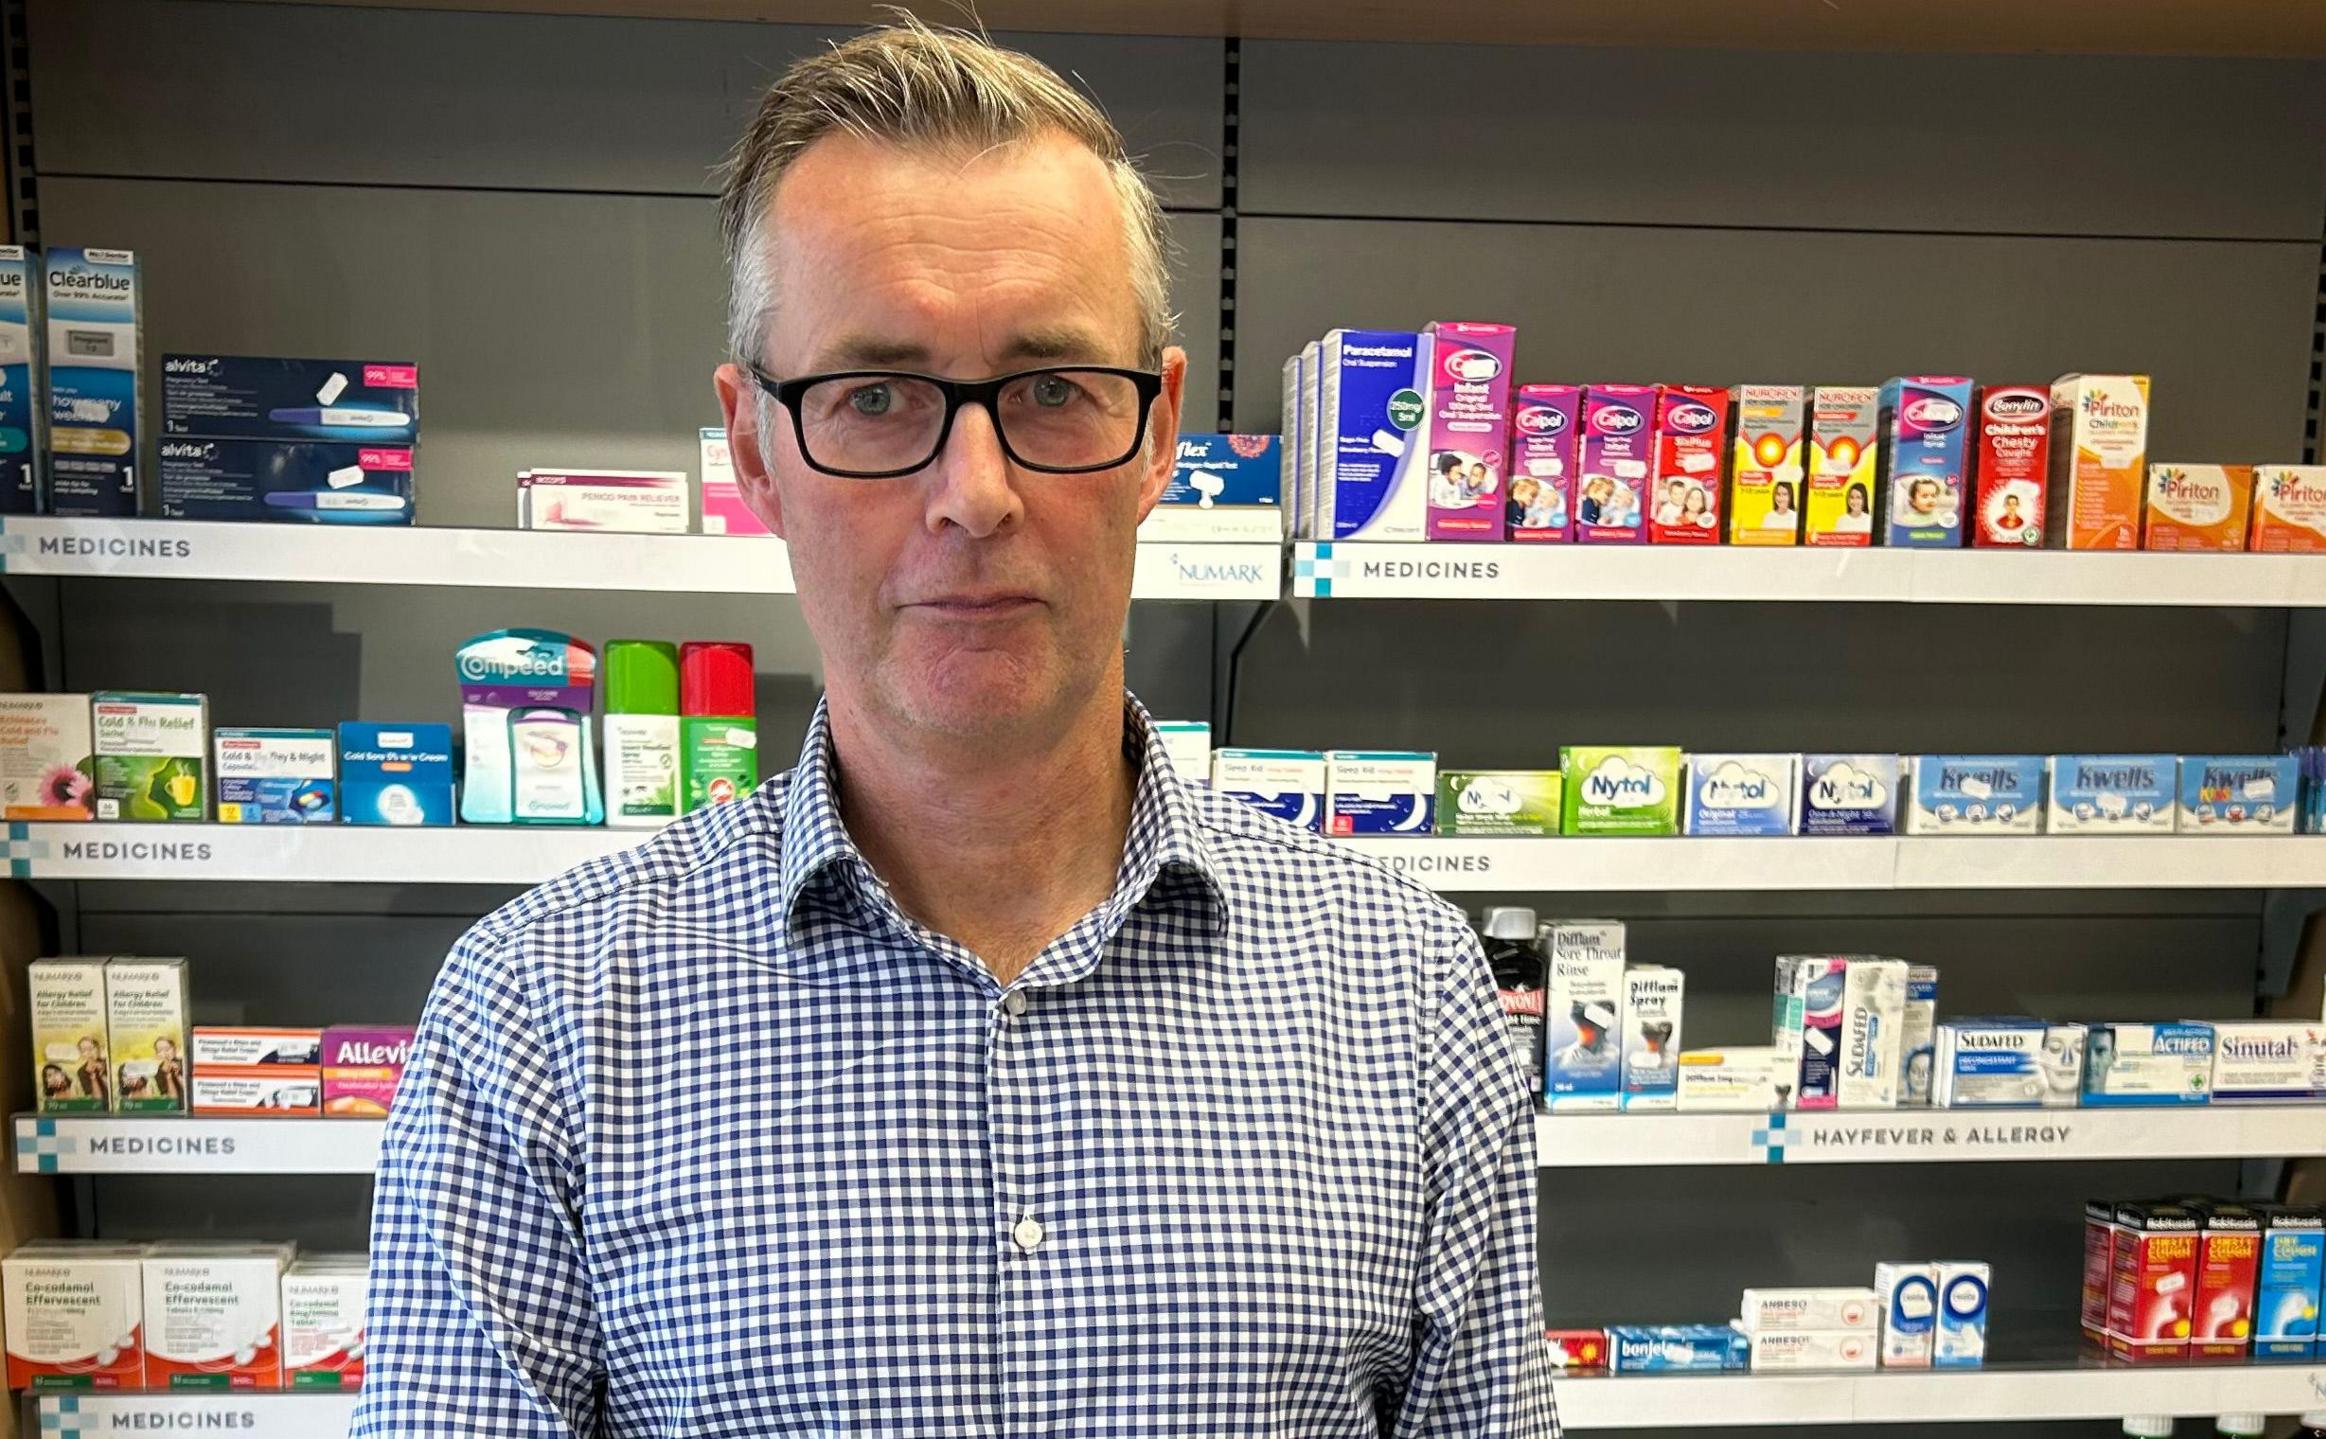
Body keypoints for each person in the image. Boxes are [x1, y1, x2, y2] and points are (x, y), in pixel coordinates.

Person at [356, 21, 1555, 1439]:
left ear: (1161, 428)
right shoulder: (535, 1018)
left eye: (1052, 390)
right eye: (873, 398)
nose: (974, 493)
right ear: (753, 450)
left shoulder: (1407, 994)